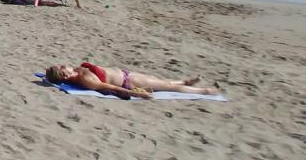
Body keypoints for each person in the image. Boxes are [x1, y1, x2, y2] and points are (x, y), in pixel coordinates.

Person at [45, 62, 221, 98]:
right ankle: (205, 91)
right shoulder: (86, 80)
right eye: (62, 67)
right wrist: (138, 94)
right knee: (166, 87)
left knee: (158, 80)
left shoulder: (77, 72)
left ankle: (184, 82)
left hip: (126, 73)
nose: (64, 64)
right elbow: (109, 87)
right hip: (129, 82)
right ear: (65, 75)